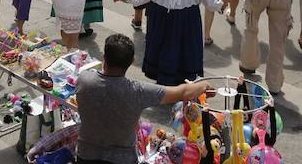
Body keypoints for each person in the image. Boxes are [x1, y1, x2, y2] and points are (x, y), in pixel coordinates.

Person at [75, 34, 214, 164]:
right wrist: (203, 85)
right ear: (131, 62)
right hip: (123, 160)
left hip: (85, 155)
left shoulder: (84, 80)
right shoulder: (138, 91)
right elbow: (182, 92)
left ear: (104, 57)